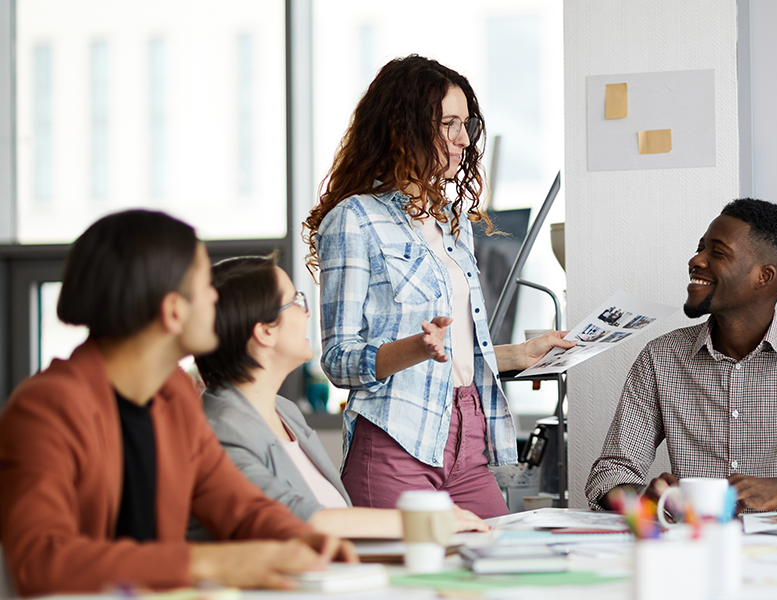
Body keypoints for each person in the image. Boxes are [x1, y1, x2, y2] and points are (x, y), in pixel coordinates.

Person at [0, 210, 355, 597]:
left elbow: (234, 501)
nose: (217, 298)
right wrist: (209, 562)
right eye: (206, 286)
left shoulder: (174, 396)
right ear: (173, 311)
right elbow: (41, 561)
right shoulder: (44, 408)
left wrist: (303, 539)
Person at [303, 55, 571, 519]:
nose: (463, 140)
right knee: (407, 587)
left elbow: (454, 350)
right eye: (449, 124)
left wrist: (517, 356)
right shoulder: (354, 219)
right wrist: (414, 348)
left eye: (466, 125)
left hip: (468, 437)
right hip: (395, 440)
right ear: (402, 127)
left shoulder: (453, 225)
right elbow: (339, 361)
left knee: (495, 572)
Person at [585, 198, 777, 512]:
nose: (696, 260)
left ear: (763, 277)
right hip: (694, 545)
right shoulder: (660, 358)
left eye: (717, 252)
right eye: (700, 247)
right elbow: (610, 474)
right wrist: (644, 495)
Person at [193, 255, 489, 539]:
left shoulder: (284, 412)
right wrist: (424, 522)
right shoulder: (219, 431)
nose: (307, 311)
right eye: (296, 302)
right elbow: (291, 517)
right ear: (264, 332)